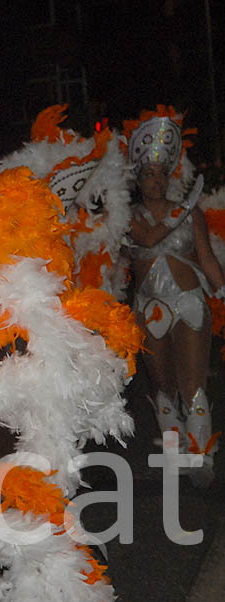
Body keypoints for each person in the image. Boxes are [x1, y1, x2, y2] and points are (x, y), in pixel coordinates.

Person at [125, 107, 224, 487]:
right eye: (149, 174)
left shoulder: (192, 213)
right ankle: (174, 454)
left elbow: (208, 259)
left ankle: (201, 455)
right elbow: (147, 240)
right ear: (139, 179)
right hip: (149, 307)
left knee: (193, 382)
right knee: (162, 386)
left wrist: (223, 289)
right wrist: (181, 210)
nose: (156, 180)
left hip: (188, 302)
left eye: (161, 174)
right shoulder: (128, 215)